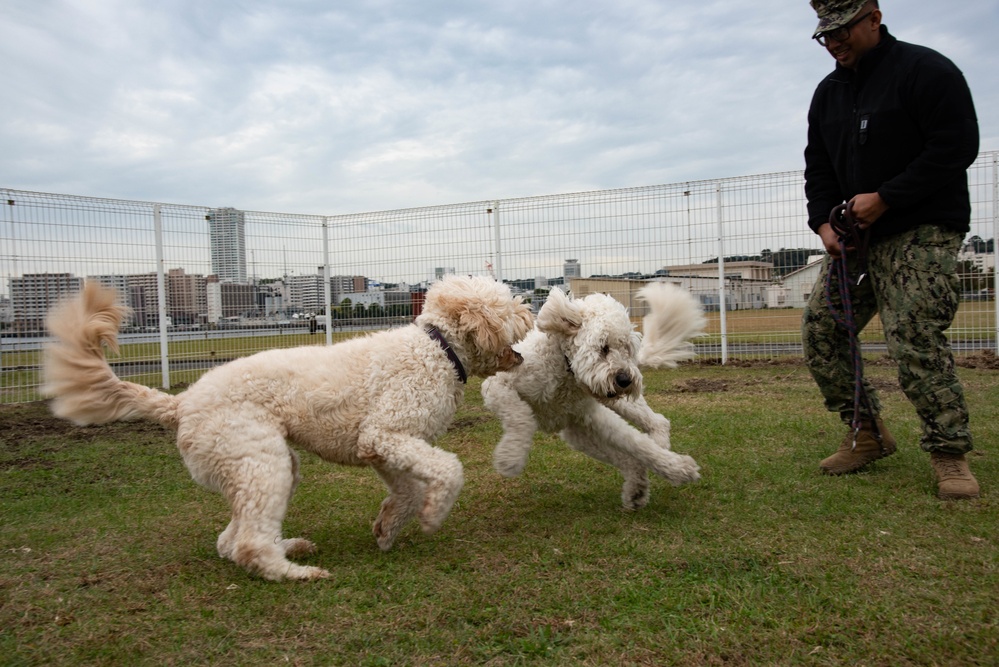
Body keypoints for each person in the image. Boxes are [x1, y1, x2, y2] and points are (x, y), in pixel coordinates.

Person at [801, 0, 980, 499]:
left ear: (874, 18)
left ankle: (949, 454)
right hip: (855, 239)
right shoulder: (828, 93)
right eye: (825, 35)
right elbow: (818, 165)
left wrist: (888, 197)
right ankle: (867, 434)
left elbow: (956, 145)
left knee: (912, 335)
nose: (834, 42)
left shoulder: (927, 71)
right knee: (821, 330)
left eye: (842, 30)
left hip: (921, 229)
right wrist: (822, 223)